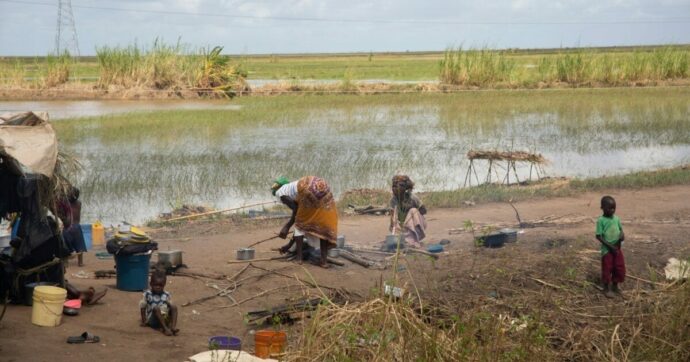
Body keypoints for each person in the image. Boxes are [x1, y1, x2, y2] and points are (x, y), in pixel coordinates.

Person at [271, 176, 338, 268]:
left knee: (300, 223)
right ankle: (324, 261)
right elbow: (299, 210)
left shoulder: (280, 192)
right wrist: (289, 245)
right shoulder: (292, 188)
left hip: (307, 187)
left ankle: (299, 259)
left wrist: (287, 226)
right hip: (322, 186)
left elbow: (296, 210)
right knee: (322, 223)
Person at [596, 195, 626, 298]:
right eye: (610, 208)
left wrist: (622, 235)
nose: (612, 210)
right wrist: (610, 246)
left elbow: (621, 230)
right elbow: (598, 236)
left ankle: (615, 286)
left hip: (617, 249)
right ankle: (606, 288)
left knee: (619, 267)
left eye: (614, 208)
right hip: (607, 250)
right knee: (607, 268)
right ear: (602, 208)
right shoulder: (601, 220)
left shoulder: (616, 218)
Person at [389, 175, 427, 248]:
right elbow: (393, 218)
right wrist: (394, 223)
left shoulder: (412, 197)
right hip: (402, 226)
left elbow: (424, 210)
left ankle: (414, 239)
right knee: (394, 220)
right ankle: (405, 239)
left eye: (396, 187)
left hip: (417, 224)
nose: (394, 189)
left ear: (404, 189)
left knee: (413, 211)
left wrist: (410, 208)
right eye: (393, 187)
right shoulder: (393, 200)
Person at [140, 270, 179, 336]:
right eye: (155, 285)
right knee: (156, 308)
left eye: (161, 285)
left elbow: (170, 305)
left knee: (174, 306)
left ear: (164, 285)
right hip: (152, 319)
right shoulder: (147, 294)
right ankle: (165, 329)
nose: (158, 287)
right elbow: (142, 307)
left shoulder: (166, 294)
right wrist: (144, 321)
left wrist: (169, 304)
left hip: (164, 317)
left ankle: (173, 327)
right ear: (151, 284)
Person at [57, 187, 87, 267]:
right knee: (79, 246)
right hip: (77, 227)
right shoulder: (79, 203)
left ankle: (65, 262)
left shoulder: (65, 203)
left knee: (65, 245)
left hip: (68, 227)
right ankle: (80, 262)